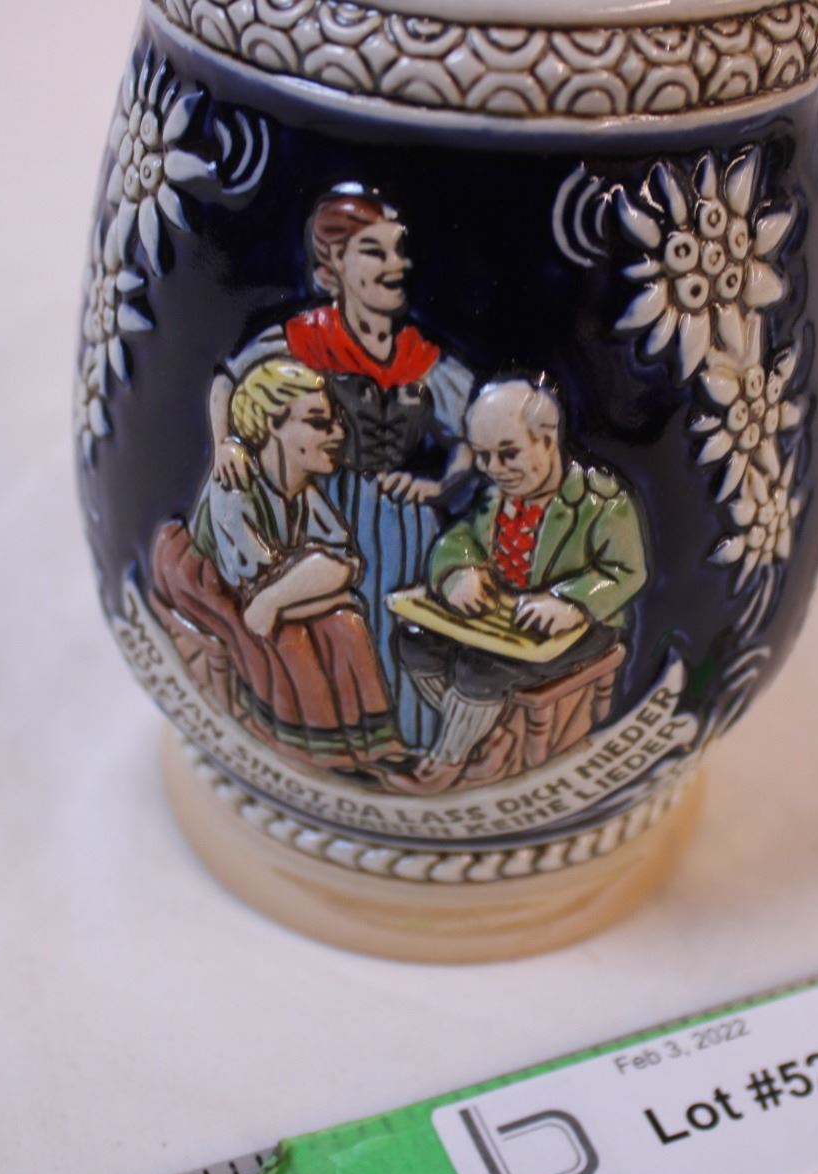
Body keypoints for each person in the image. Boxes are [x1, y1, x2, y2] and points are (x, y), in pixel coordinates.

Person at [204, 188, 474, 750]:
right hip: (329, 507)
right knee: (342, 625)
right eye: (374, 252)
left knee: (401, 631)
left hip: (405, 523)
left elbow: (476, 429)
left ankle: (403, 746)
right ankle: (344, 740)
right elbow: (228, 380)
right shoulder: (304, 339)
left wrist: (439, 484)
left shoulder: (419, 355)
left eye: (398, 251)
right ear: (334, 266)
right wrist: (226, 442)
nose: (395, 265)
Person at [389, 374, 649, 792]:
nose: (495, 469)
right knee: (414, 641)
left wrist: (572, 602)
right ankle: (487, 737)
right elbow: (458, 540)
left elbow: (626, 570)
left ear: (546, 440)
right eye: (484, 457)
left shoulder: (602, 503)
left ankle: (446, 762)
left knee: (480, 670)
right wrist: (459, 572)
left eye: (508, 454)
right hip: (506, 618)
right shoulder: (494, 500)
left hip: (580, 629)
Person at [151, 357, 405, 771]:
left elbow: (342, 562)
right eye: (319, 422)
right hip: (215, 589)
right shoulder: (235, 487)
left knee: (346, 625)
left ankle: (369, 746)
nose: (337, 433)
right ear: (273, 426)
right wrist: (292, 590)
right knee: (290, 639)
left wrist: (280, 597)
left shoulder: (304, 494)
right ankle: (309, 748)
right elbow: (251, 585)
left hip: (267, 594)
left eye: (334, 422)